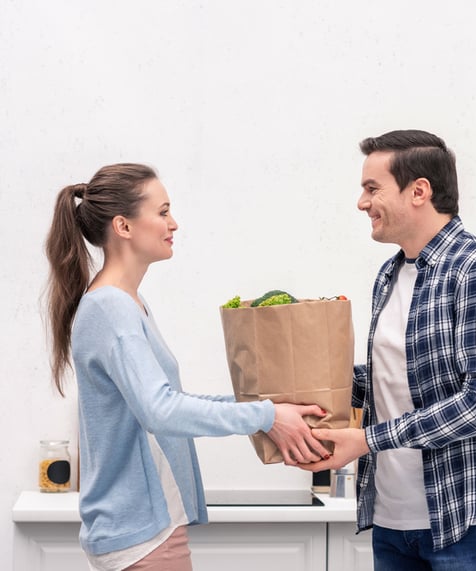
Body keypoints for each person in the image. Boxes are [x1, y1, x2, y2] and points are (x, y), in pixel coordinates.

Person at [44, 163, 330, 570]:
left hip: (151, 528)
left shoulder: (126, 304)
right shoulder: (110, 307)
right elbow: (161, 412)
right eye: (162, 212)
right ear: (124, 226)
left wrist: (267, 406)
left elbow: (169, 401)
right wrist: (265, 415)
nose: (173, 223)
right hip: (141, 535)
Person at [307, 130, 476, 570]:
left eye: (372, 189)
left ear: (419, 192)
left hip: (469, 525)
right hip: (393, 523)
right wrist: (307, 383)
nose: (361, 202)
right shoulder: (390, 274)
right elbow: (396, 380)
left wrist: (367, 439)